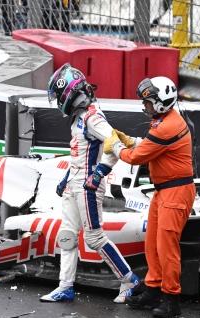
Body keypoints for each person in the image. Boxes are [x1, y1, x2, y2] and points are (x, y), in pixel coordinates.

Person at [40, 63, 141, 303]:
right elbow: (79, 154)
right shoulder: (80, 117)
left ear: (69, 93)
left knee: (94, 238)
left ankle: (130, 280)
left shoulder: (93, 117)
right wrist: (66, 178)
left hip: (88, 186)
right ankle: (65, 286)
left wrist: (98, 173)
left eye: (59, 96)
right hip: (75, 183)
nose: (58, 102)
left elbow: (115, 144)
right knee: (67, 234)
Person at [104, 76, 195, 318]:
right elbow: (150, 145)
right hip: (165, 190)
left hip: (175, 192)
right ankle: (153, 289)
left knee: (166, 247)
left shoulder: (167, 126)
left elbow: (136, 157)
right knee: (153, 243)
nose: (145, 106)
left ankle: (171, 299)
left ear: (161, 102)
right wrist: (129, 140)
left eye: (148, 102)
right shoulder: (164, 121)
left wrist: (116, 145)